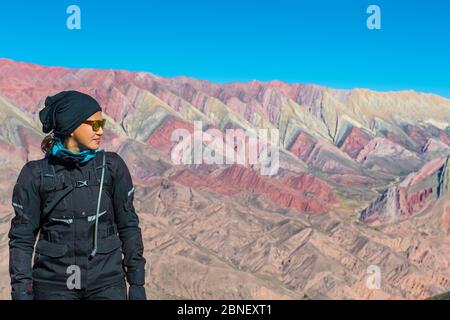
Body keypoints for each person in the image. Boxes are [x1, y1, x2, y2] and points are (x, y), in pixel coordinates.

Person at [8, 90, 147, 300]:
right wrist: (21, 292)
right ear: (71, 127)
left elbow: (128, 226)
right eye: (94, 125)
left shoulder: (111, 167)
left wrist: (137, 283)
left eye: (103, 124)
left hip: (107, 285)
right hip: (53, 286)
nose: (101, 131)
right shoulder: (35, 175)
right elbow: (22, 239)